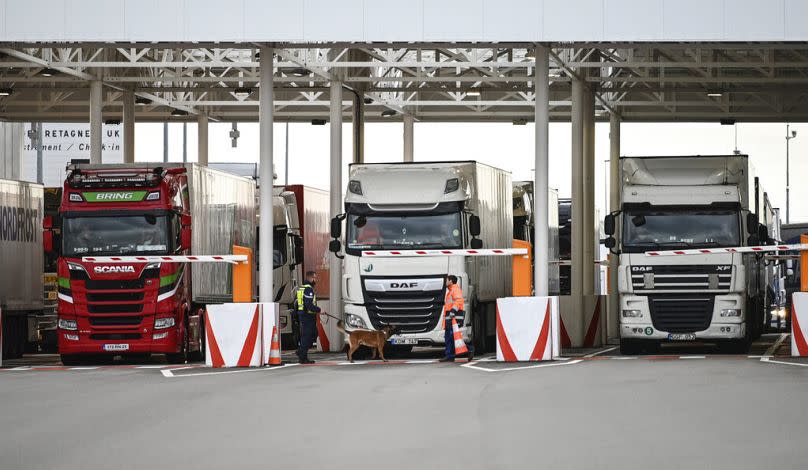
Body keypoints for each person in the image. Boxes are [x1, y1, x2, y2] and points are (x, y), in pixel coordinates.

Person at [440, 274, 474, 362]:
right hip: (449, 318)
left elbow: (459, 300)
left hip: (453, 317)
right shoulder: (450, 291)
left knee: (454, 337)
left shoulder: (455, 289)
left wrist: (453, 311)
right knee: (448, 337)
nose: (445, 282)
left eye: (447, 280)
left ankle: (469, 349)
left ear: (451, 281)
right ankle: (449, 355)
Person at [295, 271, 321, 364]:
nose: (315, 280)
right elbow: (309, 304)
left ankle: (301, 351)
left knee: (311, 334)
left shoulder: (301, 288)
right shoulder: (308, 289)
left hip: (303, 314)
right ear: (310, 278)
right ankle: (302, 356)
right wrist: (319, 310)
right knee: (308, 336)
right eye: (315, 278)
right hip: (308, 316)